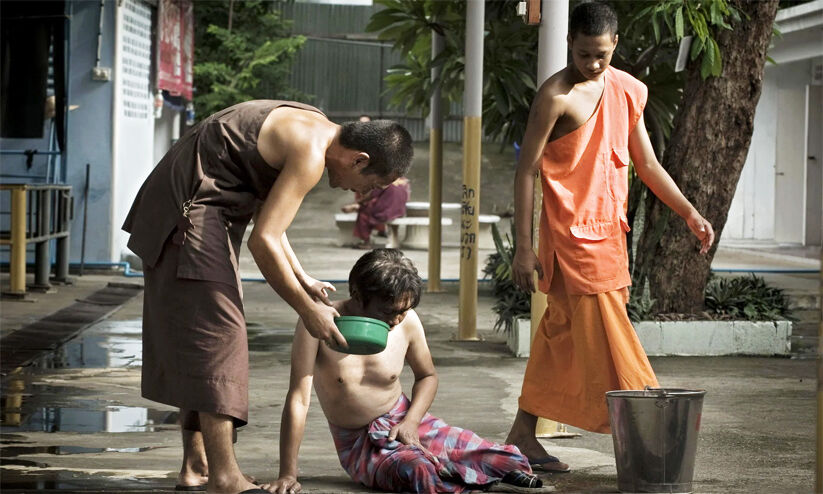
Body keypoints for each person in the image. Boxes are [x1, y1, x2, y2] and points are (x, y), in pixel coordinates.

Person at [122, 100, 413, 494]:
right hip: (189, 213)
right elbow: (264, 241)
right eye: (373, 185)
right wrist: (307, 309)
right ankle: (224, 478)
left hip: (194, 208)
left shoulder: (317, 126)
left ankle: (196, 465)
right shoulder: (311, 153)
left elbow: (271, 219)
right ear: (359, 160)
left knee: (202, 336)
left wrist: (301, 276)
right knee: (219, 337)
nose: (364, 193)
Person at [506, 2, 715, 473]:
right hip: (571, 240)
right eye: (584, 55)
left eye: (601, 54)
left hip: (610, 235)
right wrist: (523, 245)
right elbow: (525, 171)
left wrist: (689, 212)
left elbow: (648, 165)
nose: (594, 64)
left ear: (615, 44)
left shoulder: (627, 89)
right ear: (569, 45)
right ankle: (650, 433)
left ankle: (523, 433)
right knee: (613, 338)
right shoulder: (555, 95)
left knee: (559, 337)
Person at [262, 249, 552, 494]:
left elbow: (427, 376)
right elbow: (298, 398)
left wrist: (411, 422)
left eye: (404, 310)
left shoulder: (406, 321)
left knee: (492, 455)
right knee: (418, 469)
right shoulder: (318, 323)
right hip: (360, 444)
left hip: (408, 421)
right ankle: (460, 475)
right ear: (358, 295)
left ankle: (491, 472)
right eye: (388, 312)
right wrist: (288, 473)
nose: (396, 319)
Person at [340, 177, 411, 249]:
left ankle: (366, 242)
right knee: (370, 207)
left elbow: (372, 195)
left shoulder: (385, 179)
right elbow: (408, 198)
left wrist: (358, 202)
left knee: (363, 214)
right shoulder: (404, 180)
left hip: (387, 213)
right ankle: (357, 208)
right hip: (400, 212)